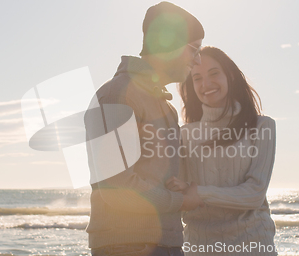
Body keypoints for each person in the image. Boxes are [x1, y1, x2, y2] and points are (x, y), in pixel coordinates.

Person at [84, 2, 205, 256]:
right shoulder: (118, 95)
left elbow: (152, 175)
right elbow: (116, 187)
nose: (198, 60)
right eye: (194, 49)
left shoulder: (163, 105)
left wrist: (179, 187)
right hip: (131, 246)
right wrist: (182, 201)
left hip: (163, 244)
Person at [167, 46, 278, 255]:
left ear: (231, 77)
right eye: (197, 78)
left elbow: (255, 193)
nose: (206, 84)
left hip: (253, 245)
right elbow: (178, 193)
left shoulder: (262, 127)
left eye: (214, 73)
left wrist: (200, 192)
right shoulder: (183, 135)